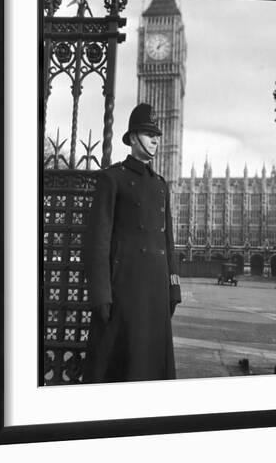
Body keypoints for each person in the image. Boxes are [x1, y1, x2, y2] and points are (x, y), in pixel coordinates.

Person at [83, 103, 181, 383]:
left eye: (157, 136)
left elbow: (168, 240)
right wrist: (101, 293)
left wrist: (173, 286)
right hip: (125, 290)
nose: (155, 141)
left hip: (156, 292)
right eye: (149, 134)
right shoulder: (113, 179)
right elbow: (97, 243)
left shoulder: (161, 185)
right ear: (133, 137)